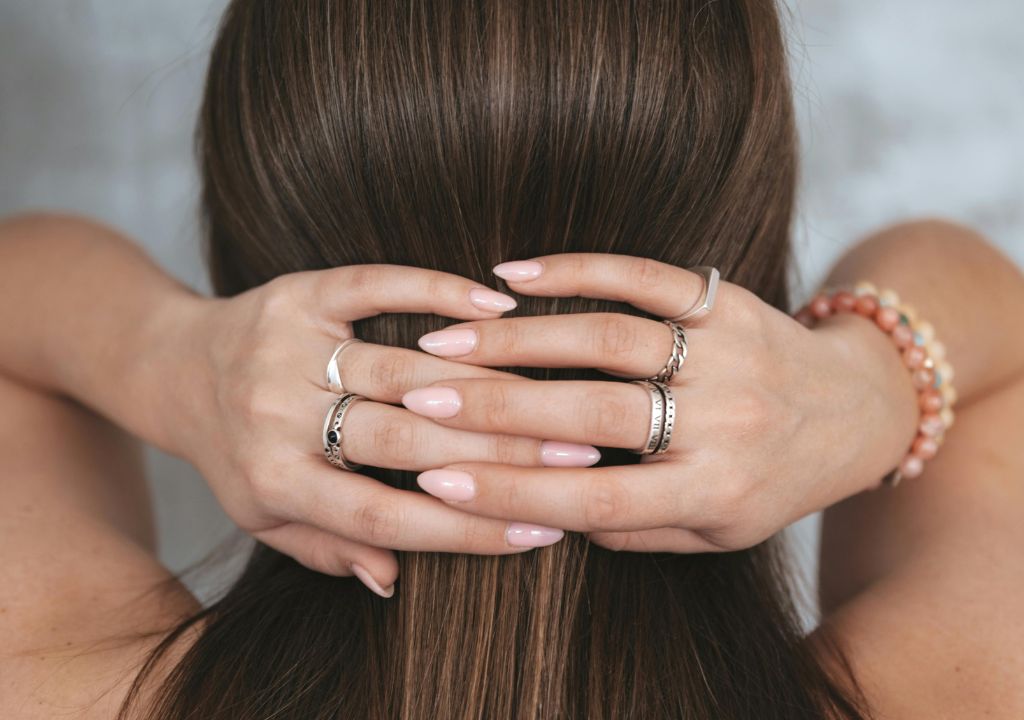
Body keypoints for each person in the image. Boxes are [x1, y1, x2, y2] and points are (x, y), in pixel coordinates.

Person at [2, 1, 1023, 718]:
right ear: (750, 221)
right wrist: (873, 382)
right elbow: (994, 324)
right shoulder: (967, 685)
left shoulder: (43, 674)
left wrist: (161, 351)